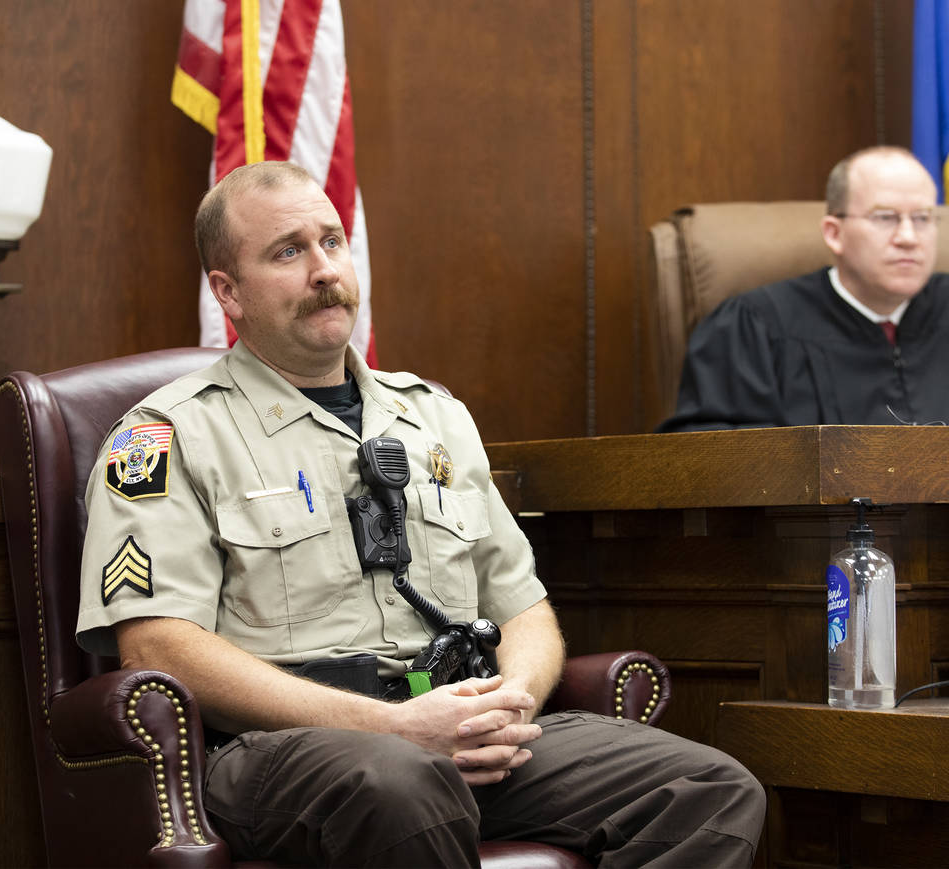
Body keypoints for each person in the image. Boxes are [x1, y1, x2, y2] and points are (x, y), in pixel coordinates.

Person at [76, 161, 765, 867]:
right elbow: (157, 646)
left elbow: (524, 608)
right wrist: (392, 725)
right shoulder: (168, 433)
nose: (324, 270)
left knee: (708, 786)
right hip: (290, 749)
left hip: (458, 726)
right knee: (405, 784)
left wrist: (511, 705)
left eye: (333, 242)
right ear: (228, 291)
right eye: (288, 251)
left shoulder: (434, 418)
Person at [658, 146, 949, 431]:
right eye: (885, 217)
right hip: (813, 559)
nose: (909, 236)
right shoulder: (753, 327)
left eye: (923, 218)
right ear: (833, 233)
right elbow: (711, 458)